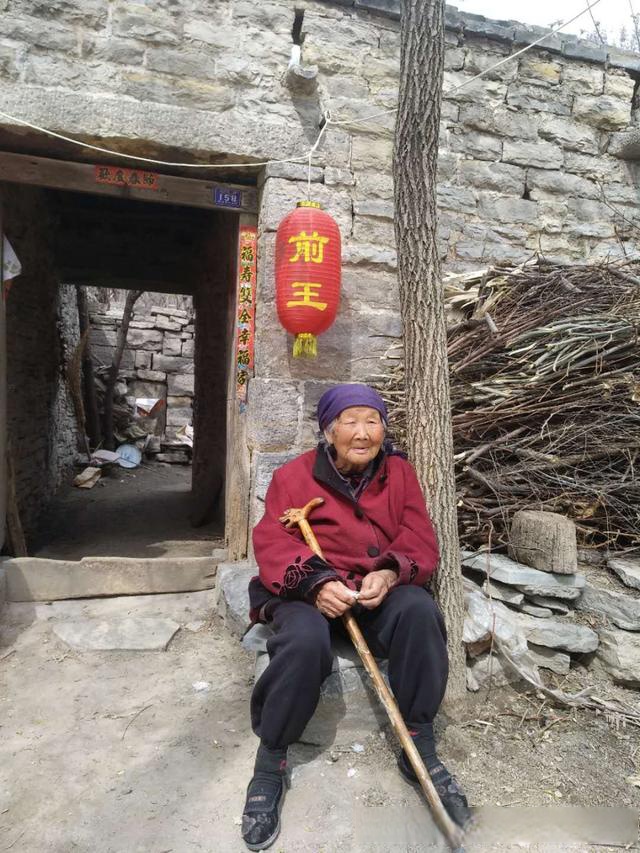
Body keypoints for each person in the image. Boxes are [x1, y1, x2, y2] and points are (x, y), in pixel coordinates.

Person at [241, 383, 471, 851]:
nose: (363, 433)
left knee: (419, 612)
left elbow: (418, 534)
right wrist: (315, 584)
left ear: (384, 429)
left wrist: (388, 574)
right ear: (329, 431)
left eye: (373, 421)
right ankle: (271, 761)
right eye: (350, 422)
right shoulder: (293, 475)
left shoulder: (400, 473)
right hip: (308, 589)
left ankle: (418, 744)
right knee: (304, 642)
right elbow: (271, 540)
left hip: (370, 587)